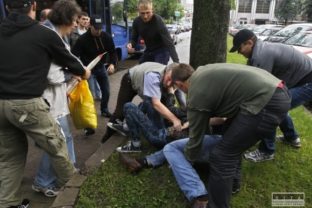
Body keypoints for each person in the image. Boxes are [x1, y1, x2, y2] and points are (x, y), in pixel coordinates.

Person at [0, 0, 91, 207]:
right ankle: (79, 192)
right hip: (27, 104)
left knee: (9, 158)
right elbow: (74, 65)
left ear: (7, 7)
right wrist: (85, 72)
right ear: (33, 5)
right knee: (58, 145)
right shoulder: (44, 34)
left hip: (1, 106)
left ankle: (7, 203)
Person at [167, 63, 290, 208]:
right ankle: (233, 184)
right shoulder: (202, 72)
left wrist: (188, 158)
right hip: (275, 90)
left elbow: (195, 138)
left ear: (179, 84)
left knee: (222, 155)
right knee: (230, 139)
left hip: (265, 102)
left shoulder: (196, 94)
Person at [230, 29, 312, 162]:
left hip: (307, 82)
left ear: (249, 43)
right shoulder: (259, 50)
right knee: (279, 105)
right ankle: (291, 137)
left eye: (240, 48)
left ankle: (266, 151)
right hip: (300, 79)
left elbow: (261, 89)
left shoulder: (262, 55)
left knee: (269, 108)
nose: (239, 53)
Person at [31, 0, 81, 198]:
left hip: (54, 99)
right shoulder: (50, 36)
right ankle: (43, 181)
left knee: (62, 137)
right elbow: (51, 74)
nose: (77, 24)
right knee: (56, 140)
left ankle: (69, 170)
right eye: (75, 20)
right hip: (48, 100)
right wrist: (72, 75)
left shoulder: (56, 34)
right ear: (67, 19)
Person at [101, 62, 183, 143]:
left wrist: (184, 110)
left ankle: (129, 125)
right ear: (166, 71)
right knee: (120, 113)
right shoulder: (154, 76)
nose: (169, 84)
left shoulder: (175, 76)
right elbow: (156, 104)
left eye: (173, 83)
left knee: (157, 105)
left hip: (145, 80)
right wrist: (174, 119)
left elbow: (176, 98)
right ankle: (107, 137)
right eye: (168, 79)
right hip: (130, 80)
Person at [72, 15, 116, 118]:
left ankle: (104, 110)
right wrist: (80, 69)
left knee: (106, 91)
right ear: (90, 26)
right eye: (96, 28)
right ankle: (90, 116)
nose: (98, 31)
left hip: (101, 67)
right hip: (88, 70)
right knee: (90, 95)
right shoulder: (82, 39)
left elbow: (113, 52)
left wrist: (112, 64)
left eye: (100, 28)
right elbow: (73, 56)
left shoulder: (106, 37)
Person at [127, 0, 179, 64]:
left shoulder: (158, 21)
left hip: (162, 50)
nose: (145, 16)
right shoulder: (136, 22)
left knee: (157, 70)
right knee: (140, 68)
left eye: (148, 12)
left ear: (152, 10)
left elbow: (169, 43)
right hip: (149, 50)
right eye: (142, 13)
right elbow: (134, 39)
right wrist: (131, 45)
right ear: (138, 11)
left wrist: (176, 62)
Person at [70, 12, 102, 102]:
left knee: (93, 81)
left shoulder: (91, 32)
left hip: (89, 62)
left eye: (86, 19)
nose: (85, 21)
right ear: (79, 20)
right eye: (83, 19)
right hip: (77, 61)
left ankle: (97, 97)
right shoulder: (72, 32)